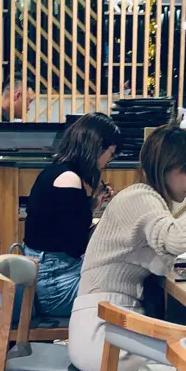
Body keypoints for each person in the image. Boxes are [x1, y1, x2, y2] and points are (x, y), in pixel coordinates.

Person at [68, 125, 186, 371]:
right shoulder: (141, 198)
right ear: (164, 169)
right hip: (102, 338)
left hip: (100, 330)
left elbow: (159, 260)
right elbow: (175, 240)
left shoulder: (144, 198)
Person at [23, 113, 121, 319]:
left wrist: (92, 205)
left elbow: (61, 227)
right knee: (127, 293)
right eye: (110, 153)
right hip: (55, 287)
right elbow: (76, 246)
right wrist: (109, 222)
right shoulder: (68, 180)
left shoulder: (55, 171)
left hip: (47, 276)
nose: (108, 161)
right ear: (97, 148)